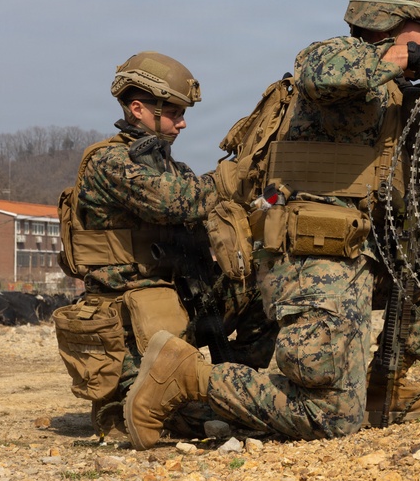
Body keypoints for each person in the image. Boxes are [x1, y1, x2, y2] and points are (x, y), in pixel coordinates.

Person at [123, 0, 420, 448]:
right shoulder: (335, 64)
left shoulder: (404, 99)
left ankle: (389, 388)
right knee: (330, 418)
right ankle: (183, 375)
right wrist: (402, 58)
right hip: (316, 254)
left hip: (374, 249)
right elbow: (323, 71)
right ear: (389, 22)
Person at [53, 51, 274, 438]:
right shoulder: (110, 162)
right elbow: (175, 200)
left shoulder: (172, 167)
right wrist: (233, 176)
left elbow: (202, 206)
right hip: (128, 308)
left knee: (260, 286)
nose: (183, 123)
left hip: (179, 298)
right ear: (138, 108)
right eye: (173, 112)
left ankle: (235, 384)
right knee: (152, 415)